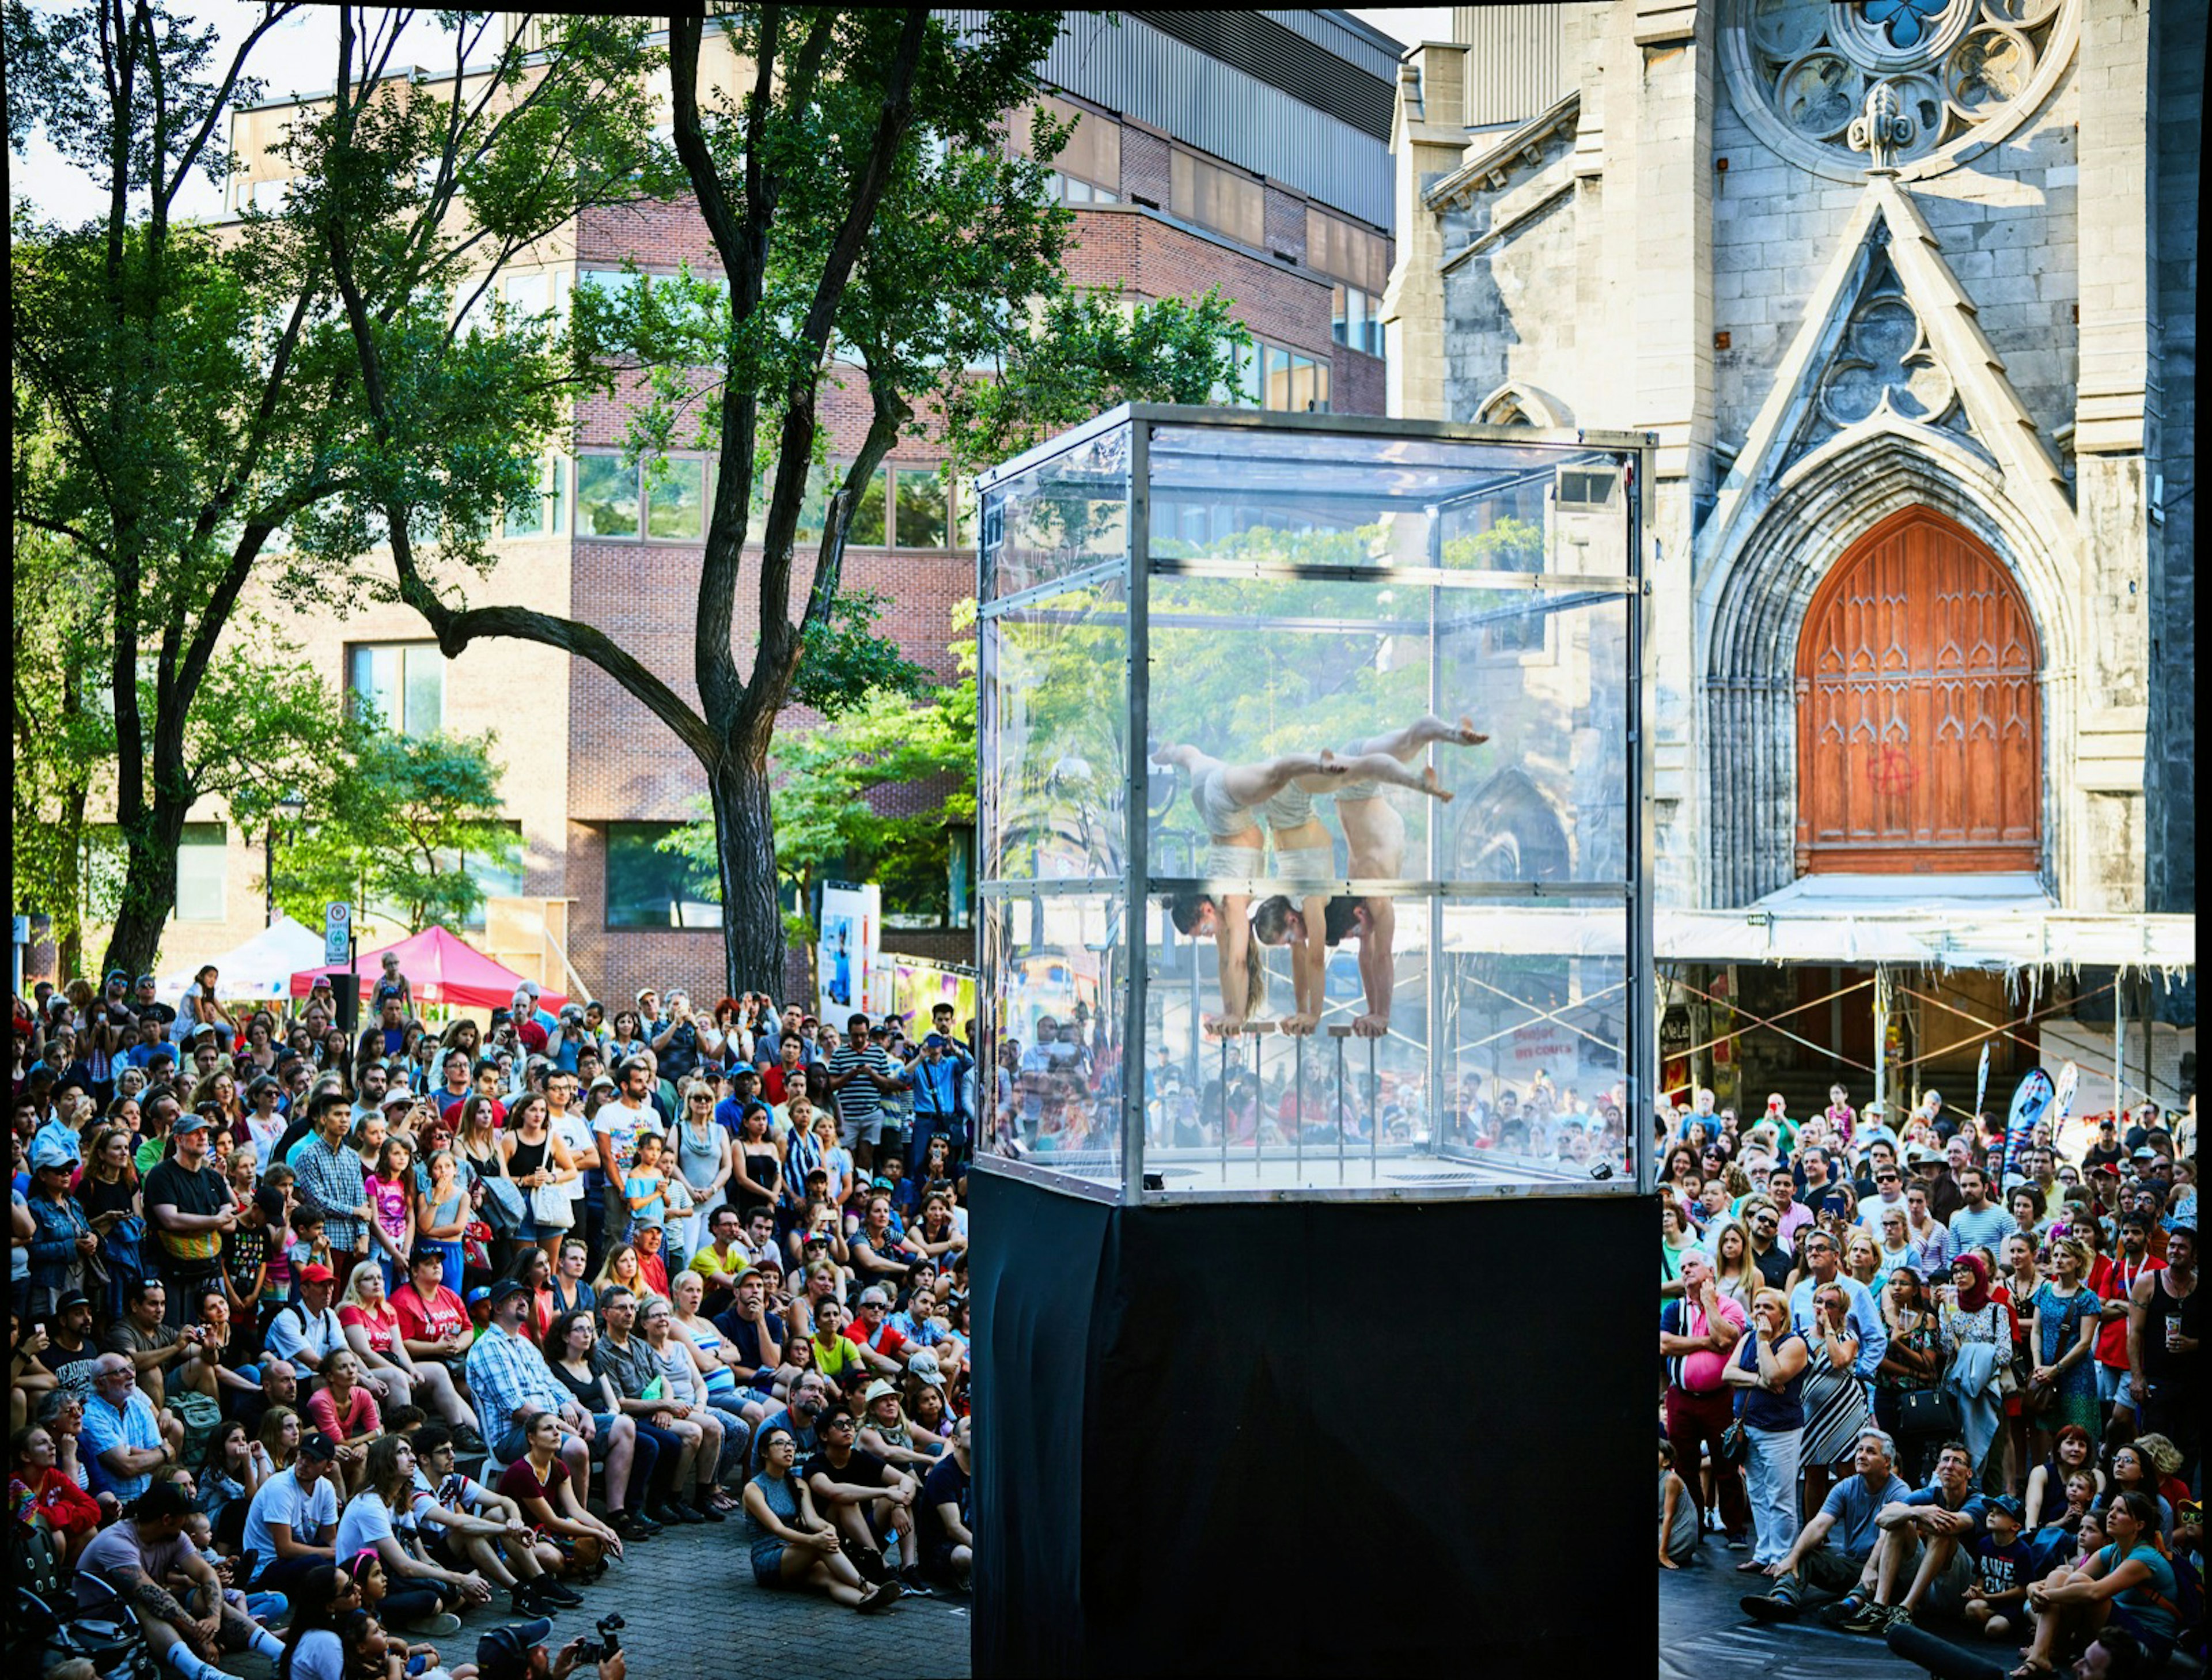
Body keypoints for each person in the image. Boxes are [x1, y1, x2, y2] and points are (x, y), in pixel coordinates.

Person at [76, 1477, 290, 1680]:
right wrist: (201, 1635)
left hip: (140, 1623)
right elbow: (153, 1595)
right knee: (145, 1604)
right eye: (185, 1515)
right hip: (100, 1624)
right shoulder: (117, 1542)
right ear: (167, 1519)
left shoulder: (174, 1536)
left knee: (201, 1597)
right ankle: (199, 1671)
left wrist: (213, 1618)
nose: (188, 1520)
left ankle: (282, 1654)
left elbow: (207, 1574)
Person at [1743, 1426, 1915, 1622]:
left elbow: (1888, 1536)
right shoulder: (1846, 1487)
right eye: (1860, 1450)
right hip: (1853, 1566)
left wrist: (1871, 1568)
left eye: (1871, 1452)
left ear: (1886, 1462)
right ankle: (1782, 1599)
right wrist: (1792, 1557)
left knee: (1877, 1571)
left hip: (1887, 1572)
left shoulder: (1900, 1491)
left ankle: (1848, 1608)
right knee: (1803, 1554)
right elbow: (1819, 1525)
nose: (1862, 1455)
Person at [1823, 1438, 1985, 1637]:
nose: (1950, 1466)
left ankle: (1905, 1608)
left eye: (1957, 1462)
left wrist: (1919, 1516)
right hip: (1926, 1582)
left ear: (1969, 1473)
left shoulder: (1978, 1500)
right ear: (1936, 1470)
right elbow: (1883, 1518)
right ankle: (1880, 1607)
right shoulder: (1928, 1495)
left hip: (1961, 1588)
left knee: (1941, 1530)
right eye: (1945, 1460)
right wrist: (1916, 1513)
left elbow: (1954, 1524)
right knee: (1899, 1523)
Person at [2012, 1490, 2183, 1675]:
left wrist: (2044, 1595)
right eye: (2111, 1509)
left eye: (2122, 1512)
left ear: (2139, 1525)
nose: (2112, 1515)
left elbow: (2095, 1593)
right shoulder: (2114, 1550)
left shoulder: (2145, 1558)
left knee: (2080, 1585)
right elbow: (2065, 1582)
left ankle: (2053, 1650)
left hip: (2149, 1643)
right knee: (2059, 1575)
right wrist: (2033, 1587)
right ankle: (2043, 1653)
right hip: (2118, 1630)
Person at [335, 1435, 491, 1630]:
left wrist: (457, 1584)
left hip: (393, 1578)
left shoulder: (401, 1498)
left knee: (467, 1579)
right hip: (367, 1588)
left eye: (410, 1452)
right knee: (433, 1599)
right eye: (402, 1453)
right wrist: (459, 1581)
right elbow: (405, 1567)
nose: (413, 1459)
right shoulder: (370, 1505)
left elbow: (422, 1557)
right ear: (385, 1461)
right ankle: (411, 1618)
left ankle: (427, 1618)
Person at [539, 1310, 656, 1542]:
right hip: (573, 1429)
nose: (587, 1335)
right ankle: (580, 1515)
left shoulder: (594, 1361)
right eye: (580, 1329)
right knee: (648, 1443)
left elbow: (613, 1403)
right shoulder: (553, 1369)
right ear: (564, 1336)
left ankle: (618, 1511)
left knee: (643, 1440)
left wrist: (609, 1418)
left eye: (590, 1330)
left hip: (602, 1421)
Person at [1660, 1251, 1749, 1551]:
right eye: (1682, 1267)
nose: (1685, 1270)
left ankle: (1735, 1529)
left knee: (1726, 1464)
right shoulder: (1675, 1309)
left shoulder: (1730, 1306)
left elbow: (1726, 1339)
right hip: (1681, 1398)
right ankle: (1693, 1528)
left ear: (1710, 1270)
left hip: (1719, 1398)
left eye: (1693, 1265)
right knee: (1685, 1466)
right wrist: (1706, 1343)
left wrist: (1709, 1303)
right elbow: (1664, 1344)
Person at [1723, 1287, 1809, 1573]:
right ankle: (1764, 1552)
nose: (1760, 1312)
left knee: (1781, 1496)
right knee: (1758, 1493)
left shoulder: (1793, 1343)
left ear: (1782, 1314)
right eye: (1757, 1307)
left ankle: (1782, 1557)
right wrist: (1760, 1382)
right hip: (1748, 1428)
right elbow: (1728, 1373)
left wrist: (1763, 1341)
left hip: (1780, 1431)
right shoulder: (1746, 1337)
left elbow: (1775, 1373)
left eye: (1768, 1308)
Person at [493, 1411, 623, 1580]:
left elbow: (575, 1509)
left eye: (558, 1428)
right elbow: (552, 1520)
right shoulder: (523, 1472)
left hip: (545, 1533)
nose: (556, 1433)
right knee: (550, 1557)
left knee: (604, 1539)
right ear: (531, 1438)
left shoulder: (558, 1466)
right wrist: (597, 1534)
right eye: (548, 1429)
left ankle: (574, 1565)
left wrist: (605, 1529)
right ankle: (576, 1568)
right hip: (516, 1541)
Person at [2124, 1221, 2196, 1481]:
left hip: (2192, 1383)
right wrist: (2137, 1377)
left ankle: (2184, 1503)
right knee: (2154, 1445)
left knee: (2189, 1446)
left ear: (2194, 1255)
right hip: (2157, 1380)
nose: (2175, 1252)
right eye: (2172, 1246)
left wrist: (2193, 1344)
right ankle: (2153, 1503)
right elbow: (2134, 1335)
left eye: (2182, 1248)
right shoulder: (2148, 1283)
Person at [242, 1431, 344, 1600]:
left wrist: (343, 1555)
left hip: (298, 1556)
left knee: (348, 1559)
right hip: (267, 1567)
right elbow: (285, 1549)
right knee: (320, 1565)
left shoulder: (326, 1488)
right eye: (302, 1456)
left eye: (314, 1460)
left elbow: (330, 1538)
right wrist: (332, 1553)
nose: (304, 1464)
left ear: (328, 1467)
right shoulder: (280, 1487)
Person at [81, 1349, 183, 1504]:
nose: (132, 1375)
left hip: (149, 1499)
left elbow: (159, 1467)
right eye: (121, 1371)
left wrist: (129, 1451)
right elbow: (126, 1467)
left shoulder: (138, 1407)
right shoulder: (91, 1415)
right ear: (101, 1384)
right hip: (117, 1504)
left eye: (131, 1368)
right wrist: (164, 1453)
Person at [10, 1421, 105, 1570]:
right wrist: (68, 1507)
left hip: (51, 1541)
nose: (53, 1447)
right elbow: (39, 1521)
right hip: (19, 1551)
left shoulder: (54, 1476)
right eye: (43, 1443)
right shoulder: (15, 1485)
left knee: (89, 1532)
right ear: (25, 1456)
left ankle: (67, 1582)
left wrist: (59, 1516)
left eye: (52, 1442)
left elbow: (93, 1509)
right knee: (56, 1537)